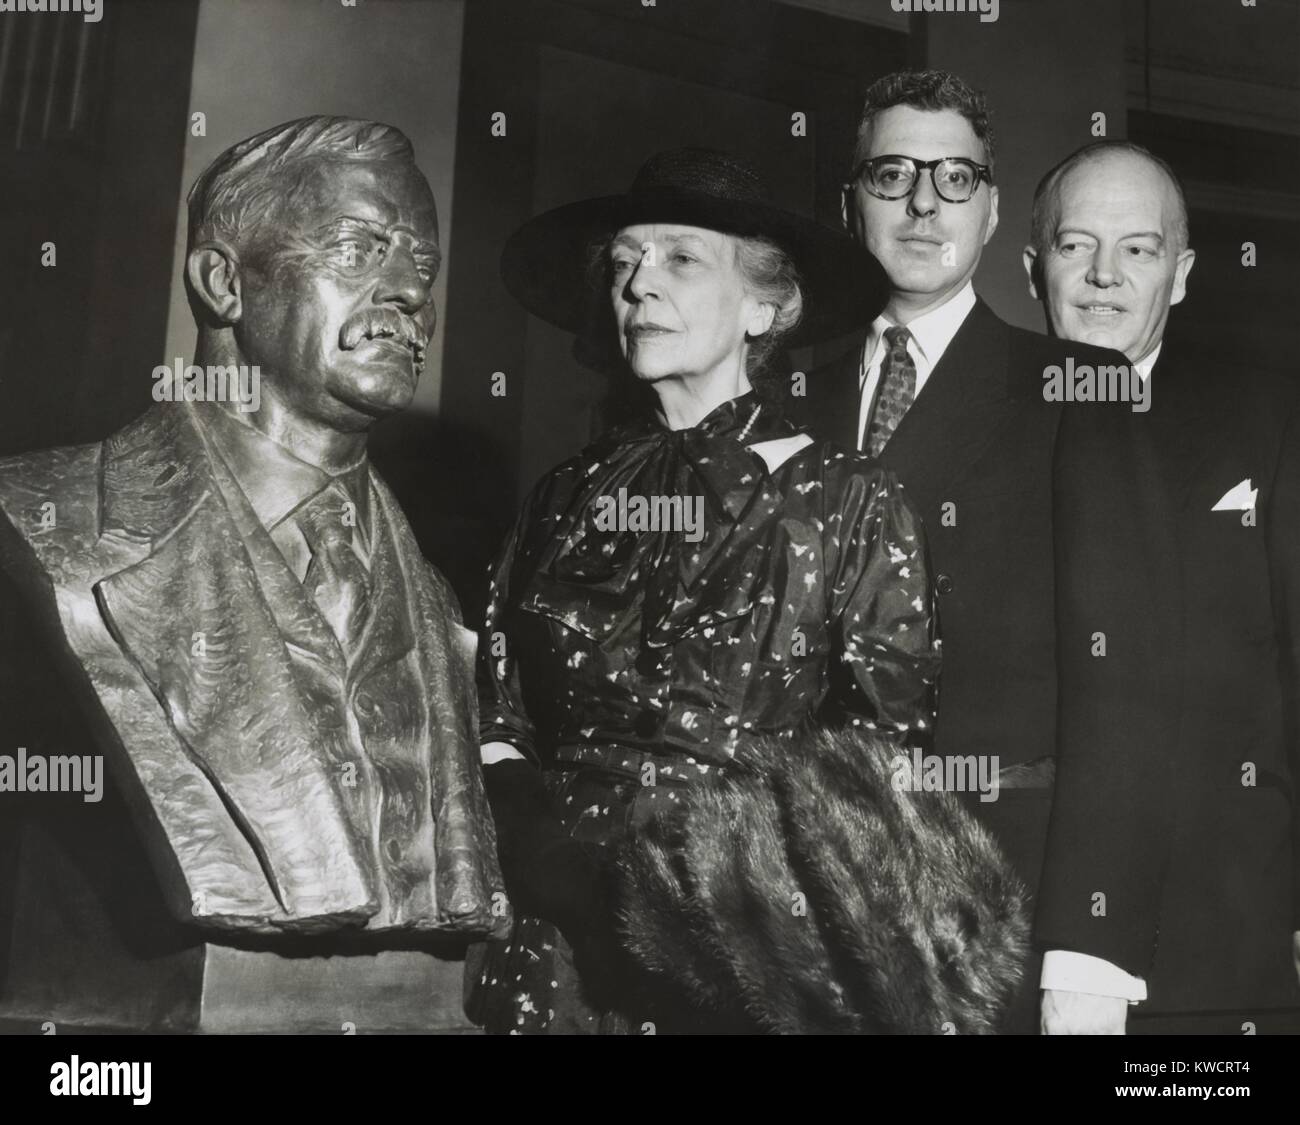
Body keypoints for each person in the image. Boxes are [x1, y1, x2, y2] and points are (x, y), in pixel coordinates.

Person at [0, 118, 504, 1012]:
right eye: (358, 248)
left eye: (422, 268)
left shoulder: (434, 595)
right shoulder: (44, 518)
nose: (407, 294)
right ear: (224, 282)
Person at [467, 147, 942, 1034]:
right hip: (551, 956)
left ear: (767, 304)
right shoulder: (564, 497)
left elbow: (882, 759)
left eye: (681, 259)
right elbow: (495, 713)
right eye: (624, 263)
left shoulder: (847, 499)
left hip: (743, 962)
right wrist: (554, 866)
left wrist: (719, 907)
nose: (640, 285)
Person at [785, 69, 1130, 1031]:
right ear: (849, 202)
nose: (924, 202)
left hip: (994, 896)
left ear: (990, 210)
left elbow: (1124, 688)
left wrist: (1090, 944)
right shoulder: (780, 404)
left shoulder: (1077, 391)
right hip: (798, 904)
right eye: (892, 174)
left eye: (955, 178)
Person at [1024, 139, 1300, 1033]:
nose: (1105, 276)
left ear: (1178, 276)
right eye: (1076, 247)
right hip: (1013, 930)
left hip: (1222, 933)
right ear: (1033, 268)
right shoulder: (983, 432)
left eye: (1138, 249)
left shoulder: (1264, 423)